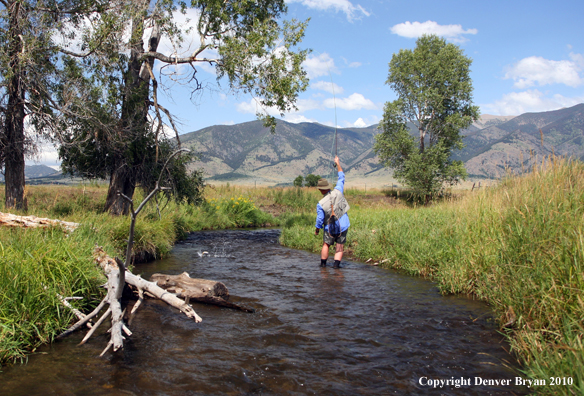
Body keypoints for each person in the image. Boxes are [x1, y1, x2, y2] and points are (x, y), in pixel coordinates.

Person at [315, 156, 350, 268]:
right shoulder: (338, 190)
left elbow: (320, 220)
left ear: (320, 190)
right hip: (343, 225)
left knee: (326, 244)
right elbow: (342, 176)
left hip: (329, 228)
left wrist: (317, 229)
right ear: (328, 187)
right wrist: (338, 163)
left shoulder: (320, 203)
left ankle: (323, 266)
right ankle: (336, 267)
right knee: (339, 246)